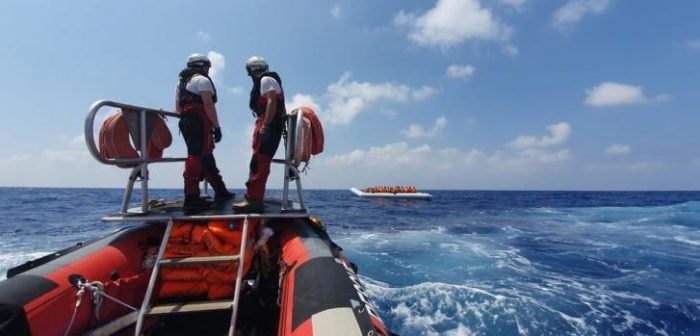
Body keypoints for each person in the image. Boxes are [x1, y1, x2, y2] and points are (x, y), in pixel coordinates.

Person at [176, 53, 233, 214]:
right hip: (198, 121)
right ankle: (191, 197)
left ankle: (220, 191)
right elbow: (208, 105)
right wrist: (217, 127)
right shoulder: (202, 80)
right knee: (196, 157)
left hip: (187, 121)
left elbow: (178, 108)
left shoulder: (182, 83)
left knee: (205, 156)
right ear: (203, 66)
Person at [233, 56, 285, 213]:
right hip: (267, 122)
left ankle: (254, 201)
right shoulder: (268, 79)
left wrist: (266, 126)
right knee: (258, 160)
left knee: (260, 161)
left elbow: (272, 102)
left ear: (252, 70)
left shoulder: (266, 80)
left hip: (268, 123)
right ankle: (253, 197)